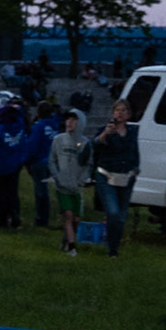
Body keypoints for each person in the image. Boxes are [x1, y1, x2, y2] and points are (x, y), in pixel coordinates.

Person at [92, 96, 142, 259]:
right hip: (106, 175)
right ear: (113, 112)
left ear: (128, 114)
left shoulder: (132, 132)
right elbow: (95, 144)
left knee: (121, 217)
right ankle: (111, 245)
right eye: (117, 110)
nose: (120, 113)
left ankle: (114, 249)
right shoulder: (106, 130)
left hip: (126, 176)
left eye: (123, 110)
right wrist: (106, 134)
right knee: (113, 212)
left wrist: (135, 170)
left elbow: (135, 153)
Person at [49, 108, 91, 256]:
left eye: (74, 120)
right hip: (62, 185)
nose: (70, 122)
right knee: (67, 214)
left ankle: (67, 239)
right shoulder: (58, 140)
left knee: (76, 218)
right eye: (68, 119)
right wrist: (57, 177)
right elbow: (52, 160)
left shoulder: (85, 143)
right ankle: (72, 247)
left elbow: (88, 164)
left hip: (76, 186)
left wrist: (82, 179)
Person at [0, 100, 30, 229]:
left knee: (0, 195)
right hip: (15, 165)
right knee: (12, 193)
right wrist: (17, 109)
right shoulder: (19, 126)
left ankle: (3, 220)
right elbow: (21, 116)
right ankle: (15, 217)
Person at [26, 100, 61, 227]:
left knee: (40, 191)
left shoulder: (38, 126)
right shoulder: (55, 125)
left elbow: (32, 145)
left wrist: (28, 160)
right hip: (53, 160)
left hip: (39, 161)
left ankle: (42, 218)